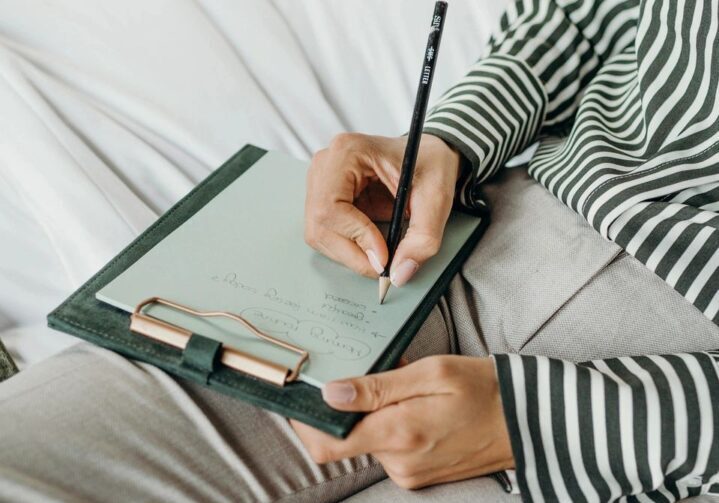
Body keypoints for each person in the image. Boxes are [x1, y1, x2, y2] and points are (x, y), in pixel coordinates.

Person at [0, 0, 717, 502]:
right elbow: (593, 15)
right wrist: (447, 140)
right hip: (478, 235)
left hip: (669, 427)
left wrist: (575, 422)